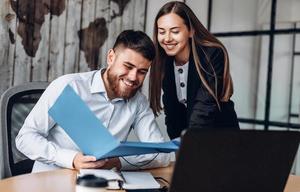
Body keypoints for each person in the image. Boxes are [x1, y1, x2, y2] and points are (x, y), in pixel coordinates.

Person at [16, 30, 171, 172]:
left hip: (101, 186)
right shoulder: (68, 87)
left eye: (142, 72)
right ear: (111, 57)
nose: (133, 77)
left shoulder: (138, 102)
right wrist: (71, 159)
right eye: (128, 66)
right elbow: (25, 138)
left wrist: (119, 162)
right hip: (51, 181)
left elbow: (161, 155)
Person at [149, 1, 239, 139]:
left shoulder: (212, 54)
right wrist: (177, 147)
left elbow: (204, 108)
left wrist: (188, 146)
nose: (167, 38)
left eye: (175, 31)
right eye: (162, 32)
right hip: (190, 140)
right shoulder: (164, 61)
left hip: (222, 139)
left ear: (191, 31)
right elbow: (172, 113)